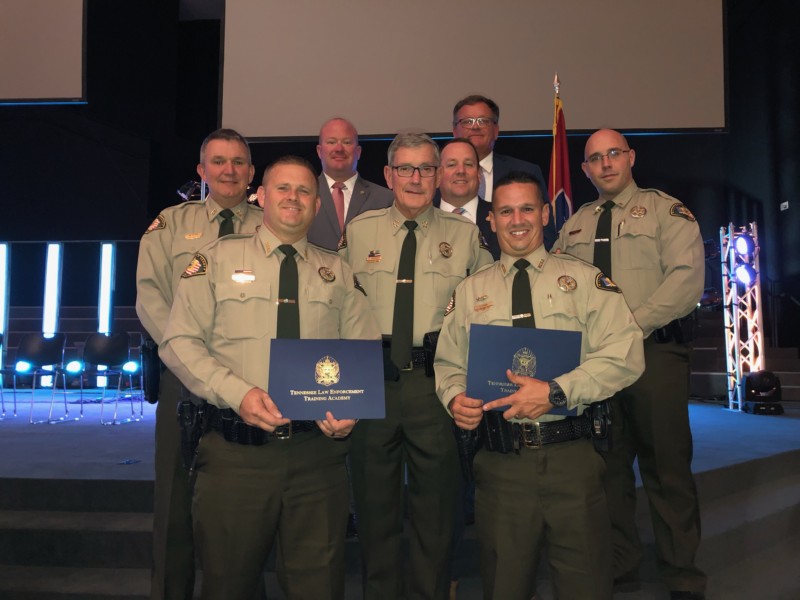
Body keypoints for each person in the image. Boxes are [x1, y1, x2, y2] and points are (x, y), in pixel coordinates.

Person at [159, 156, 381, 600]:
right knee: (228, 584)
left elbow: (362, 350)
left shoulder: (336, 271)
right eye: (282, 188)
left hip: (316, 459)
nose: (293, 198)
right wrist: (237, 393)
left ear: (317, 205)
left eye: (303, 191)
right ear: (261, 196)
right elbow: (179, 342)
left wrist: (351, 407)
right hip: (236, 460)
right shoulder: (215, 260)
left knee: (319, 585)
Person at [434, 171, 645, 600]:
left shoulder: (587, 281)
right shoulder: (471, 291)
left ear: (545, 213)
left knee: (586, 584)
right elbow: (449, 362)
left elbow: (625, 354)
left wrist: (555, 391)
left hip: (573, 459)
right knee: (505, 586)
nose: (517, 220)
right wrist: (455, 398)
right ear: (489, 220)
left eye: (527, 208)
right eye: (505, 211)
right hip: (501, 464)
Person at [553, 129, 706, 600]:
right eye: (594, 158)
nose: (605, 163)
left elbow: (685, 282)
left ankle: (681, 573)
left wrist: (629, 328)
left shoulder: (667, 211)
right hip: (595, 364)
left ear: (631, 156)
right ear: (584, 170)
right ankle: (622, 566)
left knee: (666, 466)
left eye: (613, 153)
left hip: (653, 354)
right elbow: (556, 284)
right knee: (608, 468)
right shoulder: (574, 224)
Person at [340, 132, 494, 599]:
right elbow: (335, 306)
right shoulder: (360, 231)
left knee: (437, 510)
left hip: (436, 385)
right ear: (387, 175)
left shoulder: (466, 237)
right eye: (404, 168)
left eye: (427, 168)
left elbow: (487, 310)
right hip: (373, 381)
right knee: (374, 508)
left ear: (440, 175)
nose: (416, 178)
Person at [135, 128, 263, 600]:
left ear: (251, 173)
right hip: (183, 380)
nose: (229, 170)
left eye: (238, 162)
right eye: (219, 161)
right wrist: (191, 360)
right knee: (173, 498)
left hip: (249, 384)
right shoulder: (170, 226)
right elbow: (151, 299)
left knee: (245, 502)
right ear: (201, 170)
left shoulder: (271, 226)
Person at [451, 94, 556, 249]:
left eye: (483, 121)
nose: (475, 126)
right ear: (454, 131)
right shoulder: (436, 174)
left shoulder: (526, 171)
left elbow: (546, 235)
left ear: (496, 130)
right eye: (467, 122)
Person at [308, 117, 393, 250]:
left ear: (358, 152)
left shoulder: (385, 199)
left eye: (347, 142)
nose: (339, 148)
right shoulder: (304, 196)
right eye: (331, 142)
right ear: (319, 151)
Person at [435, 138, 499, 259]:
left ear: (479, 174)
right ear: (438, 175)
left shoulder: (500, 217)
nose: (461, 171)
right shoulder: (421, 218)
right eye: (452, 165)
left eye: (468, 164)